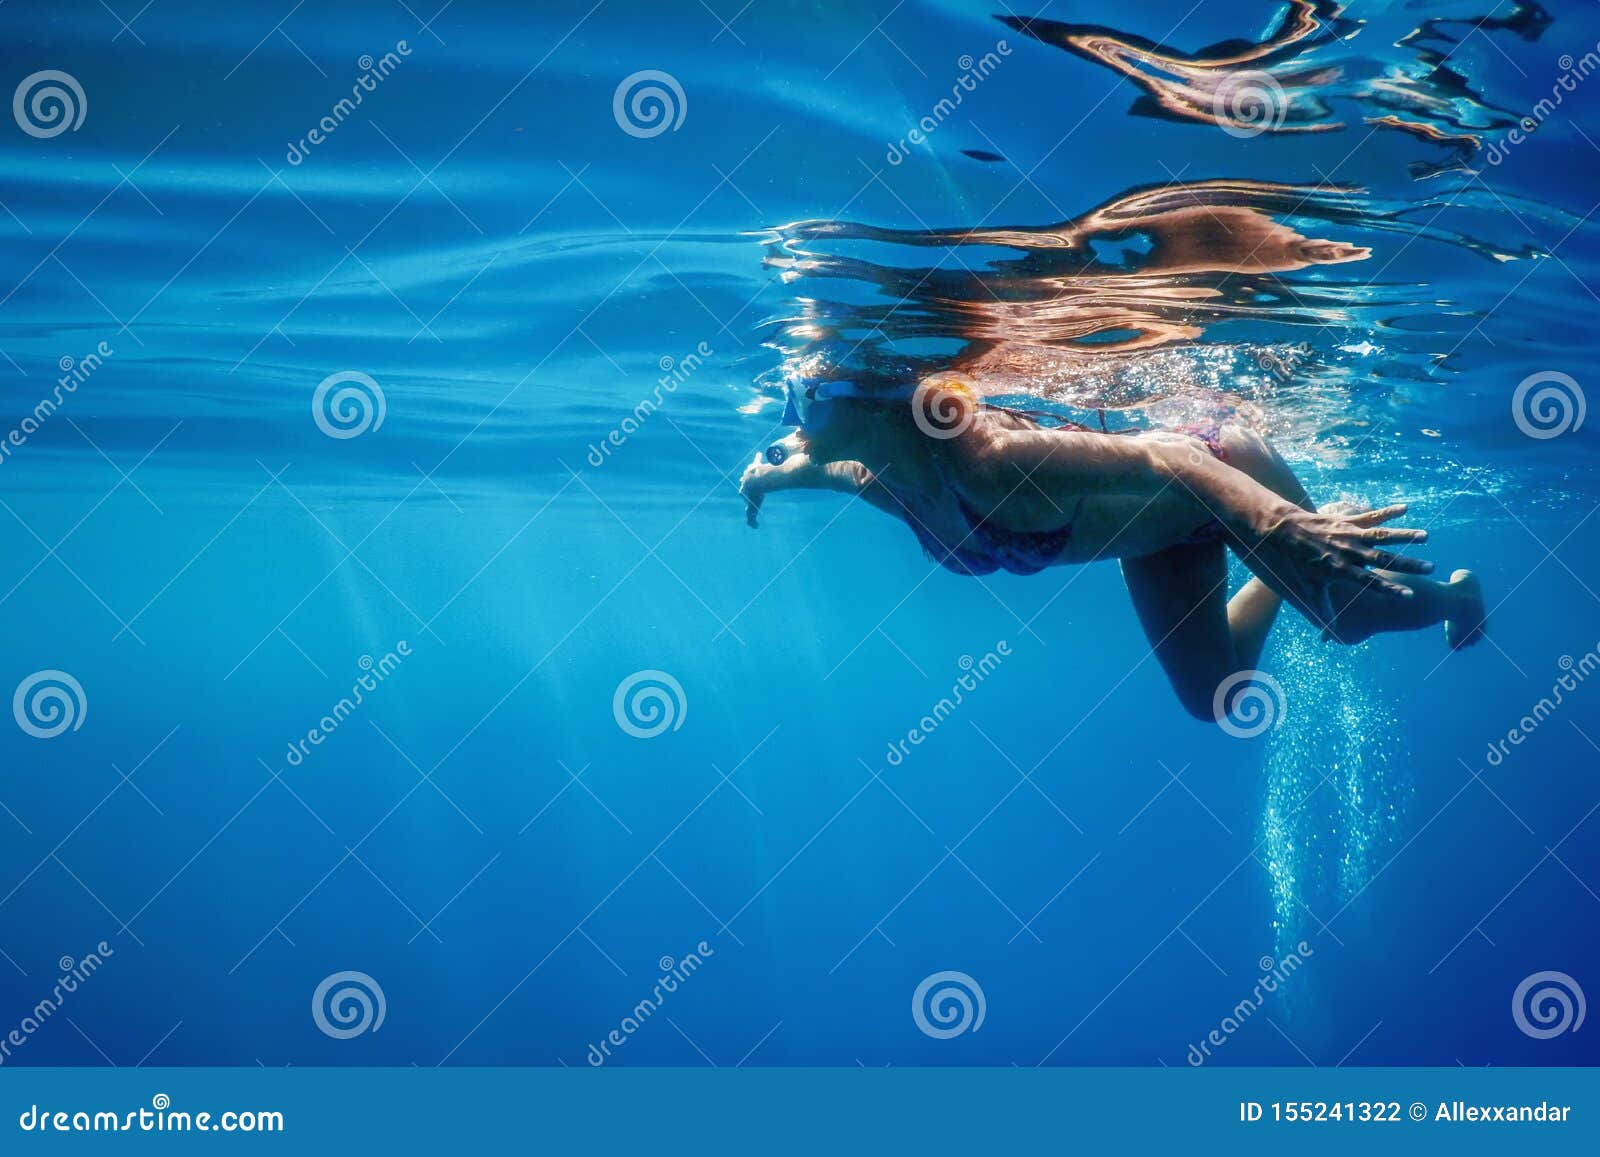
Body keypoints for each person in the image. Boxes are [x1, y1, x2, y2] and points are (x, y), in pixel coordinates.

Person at [739, 374, 1485, 722]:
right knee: (1211, 699)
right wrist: (769, 479)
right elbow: (821, 467)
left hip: (1215, 470)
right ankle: (1281, 566)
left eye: (804, 397)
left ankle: (1459, 596)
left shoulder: (988, 461)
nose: (789, 412)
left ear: (875, 402)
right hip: (1162, 528)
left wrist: (1273, 524)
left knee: (1343, 616)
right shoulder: (884, 476)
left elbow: (1172, 462)